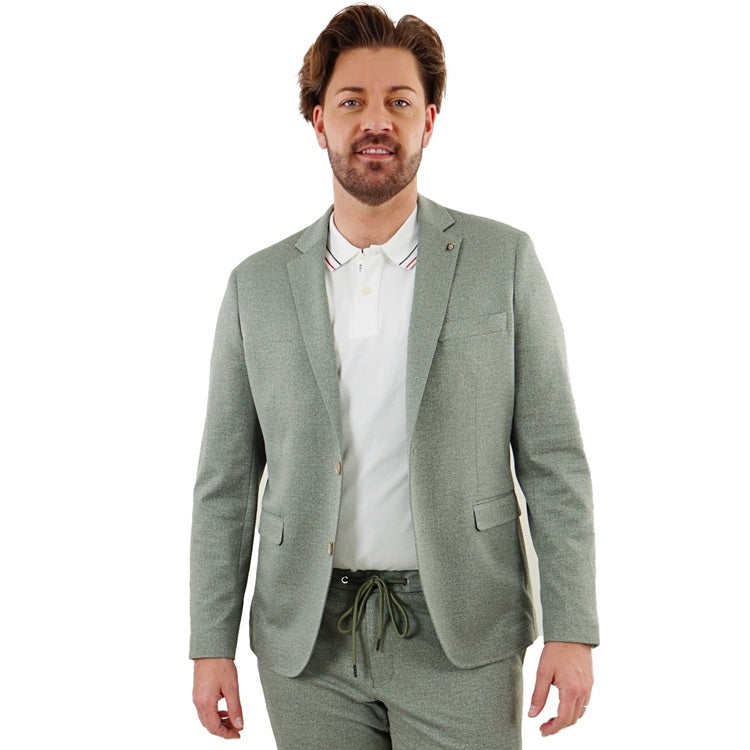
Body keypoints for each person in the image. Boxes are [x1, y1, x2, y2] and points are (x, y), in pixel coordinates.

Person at [190, 5, 598, 748]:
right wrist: (209, 643)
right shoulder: (255, 286)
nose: (376, 121)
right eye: (352, 101)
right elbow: (226, 481)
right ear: (319, 121)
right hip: (306, 643)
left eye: (399, 101)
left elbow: (553, 459)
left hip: (463, 631)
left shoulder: (503, 261)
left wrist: (572, 628)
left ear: (429, 120)